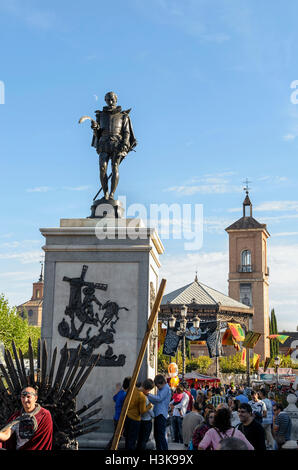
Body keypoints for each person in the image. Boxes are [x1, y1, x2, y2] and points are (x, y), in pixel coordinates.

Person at [91, 91, 137, 200]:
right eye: (108, 100)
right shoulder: (100, 115)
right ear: (105, 101)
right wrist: (95, 129)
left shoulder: (123, 116)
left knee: (114, 167)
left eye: (112, 99)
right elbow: (97, 134)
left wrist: (125, 143)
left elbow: (126, 132)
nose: (110, 102)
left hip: (117, 143)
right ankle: (105, 194)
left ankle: (111, 194)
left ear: (116, 100)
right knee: (102, 167)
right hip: (104, 143)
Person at [124, 379, 153, 450]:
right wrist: (149, 406)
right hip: (135, 419)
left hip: (127, 416)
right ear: (148, 389)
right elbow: (142, 411)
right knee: (132, 440)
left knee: (127, 439)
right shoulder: (142, 397)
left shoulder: (132, 389)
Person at [147, 374, 172, 450]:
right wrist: (148, 397)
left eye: (158, 386)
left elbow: (159, 399)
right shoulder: (161, 389)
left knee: (160, 435)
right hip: (158, 413)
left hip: (161, 414)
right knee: (157, 435)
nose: (157, 387)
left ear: (163, 383)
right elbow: (157, 401)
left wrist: (148, 394)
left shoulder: (166, 388)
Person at [136, 379, 155, 450]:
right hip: (146, 421)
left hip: (139, 420)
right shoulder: (145, 398)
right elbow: (151, 413)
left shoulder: (136, 393)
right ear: (148, 389)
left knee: (139, 440)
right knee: (144, 441)